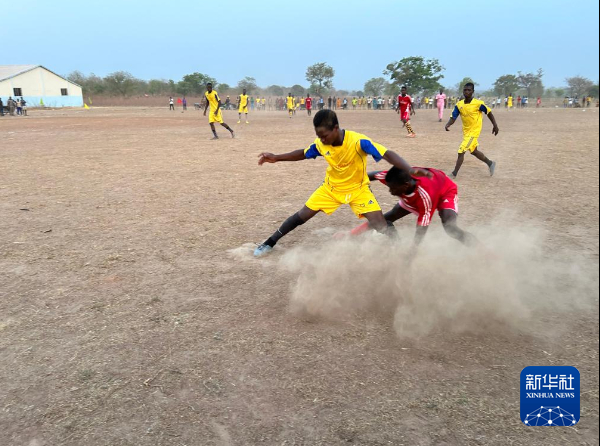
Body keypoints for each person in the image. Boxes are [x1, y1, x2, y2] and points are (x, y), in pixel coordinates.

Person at [252, 109, 432, 257]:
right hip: (331, 188)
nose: (322, 140)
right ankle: (269, 242)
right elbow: (303, 153)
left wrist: (409, 169)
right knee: (301, 216)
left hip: (358, 189)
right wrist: (276, 157)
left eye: (324, 135)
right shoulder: (321, 144)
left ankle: (400, 251)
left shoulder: (358, 141)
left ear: (335, 128)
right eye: (318, 136)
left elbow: (387, 153)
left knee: (381, 225)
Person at [345, 167, 477, 250]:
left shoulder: (426, 196)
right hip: (418, 193)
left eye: (393, 189)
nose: (390, 191)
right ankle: (354, 234)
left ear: (406, 185)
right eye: (389, 187)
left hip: (444, 191)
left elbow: (422, 227)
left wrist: (412, 251)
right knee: (386, 218)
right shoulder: (395, 178)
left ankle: (482, 251)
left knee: (450, 227)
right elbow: (372, 175)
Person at [445, 83, 498, 178]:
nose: (466, 92)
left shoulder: (478, 104)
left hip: (474, 132)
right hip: (466, 132)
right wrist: (448, 124)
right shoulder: (459, 104)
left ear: (473, 91)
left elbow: (489, 112)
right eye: (465, 90)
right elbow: (453, 117)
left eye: (469, 90)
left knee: (461, 150)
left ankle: (454, 174)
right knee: (474, 151)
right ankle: (490, 163)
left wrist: (495, 125)